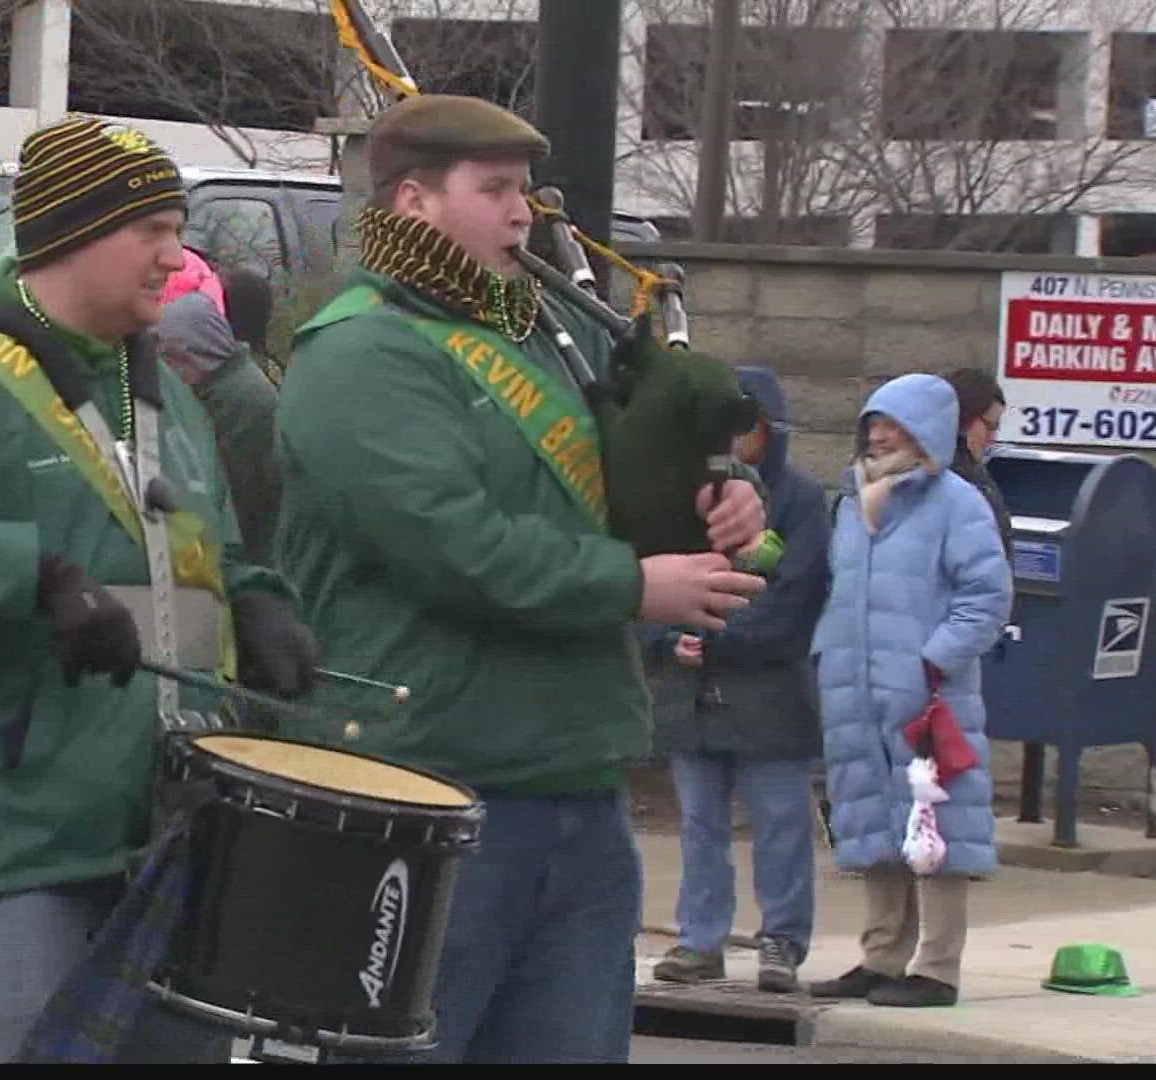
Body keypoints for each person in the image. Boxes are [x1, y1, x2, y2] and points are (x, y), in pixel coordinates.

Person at [271, 93, 768, 1064]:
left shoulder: (540, 333)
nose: (521, 216)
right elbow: (458, 549)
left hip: (574, 777)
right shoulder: (361, 352)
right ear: (413, 203)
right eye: (494, 191)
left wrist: (724, 495)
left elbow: (632, 473)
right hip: (432, 783)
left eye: (524, 194)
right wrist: (634, 587)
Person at [0, 116, 318, 1064]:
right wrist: (34, 580)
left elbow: (197, 566)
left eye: (178, 228)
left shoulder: (162, 397)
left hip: (165, 826)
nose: (178, 256)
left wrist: (257, 603)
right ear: (68, 237)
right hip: (13, 830)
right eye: (154, 231)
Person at [807, 372, 1013, 1009]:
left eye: (891, 424)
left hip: (929, 698)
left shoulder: (958, 503)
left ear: (925, 431)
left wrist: (931, 661)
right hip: (856, 694)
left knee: (938, 828)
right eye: (872, 422)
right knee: (871, 822)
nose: (877, 434)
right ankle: (882, 956)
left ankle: (939, 968)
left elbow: (987, 598)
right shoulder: (852, 501)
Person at [645, 364, 830, 994]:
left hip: (770, 695)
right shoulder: (684, 495)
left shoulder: (801, 501)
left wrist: (716, 638)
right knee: (699, 823)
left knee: (781, 821)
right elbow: (653, 577)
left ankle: (782, 939)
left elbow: (795, 601)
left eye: (745, 429)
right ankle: (700, 940)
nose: (732, 443)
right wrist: (673, 636)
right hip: (692, 695)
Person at [153, 287, 281, 567]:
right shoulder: (225, 390)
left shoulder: (242, 404)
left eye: (169, 358)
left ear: (195, 355)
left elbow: (241, 500)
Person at [943, 367, 1011, 553]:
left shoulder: (971, 474)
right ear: (965, 419)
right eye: (991, 425)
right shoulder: (959, 486)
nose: (993, 437)